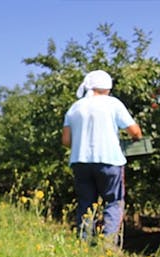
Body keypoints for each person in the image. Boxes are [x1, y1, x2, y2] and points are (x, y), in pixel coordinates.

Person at [62, 69, 142, 247]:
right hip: (110, 160)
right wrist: (134, 139)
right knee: (113, 202)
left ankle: (83, 244)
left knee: (86, 203)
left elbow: (66, 141)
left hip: (80, 161)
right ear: (107, 88)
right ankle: (107, 246)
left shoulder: (75, 107)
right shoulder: (113, 104)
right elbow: (135, 132)